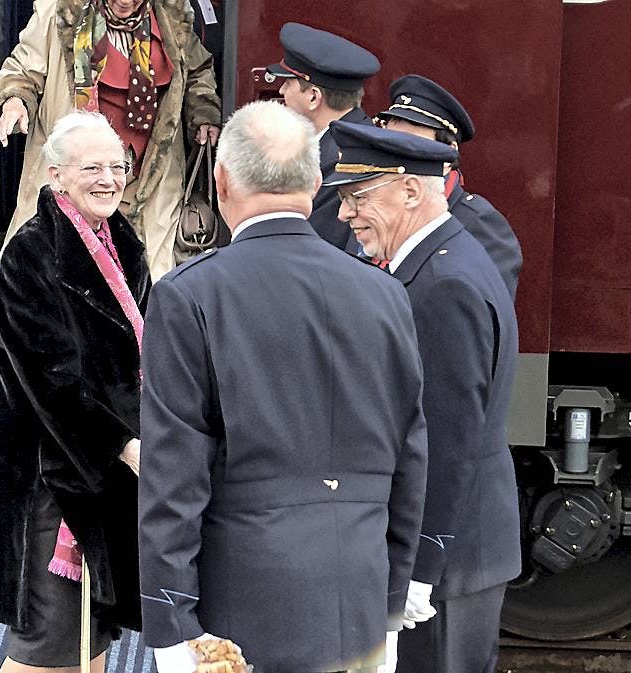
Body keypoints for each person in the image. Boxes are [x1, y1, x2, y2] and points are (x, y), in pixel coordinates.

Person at [138, 101, 429, 673]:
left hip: (243, 600)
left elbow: (174, 474)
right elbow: (410, 458)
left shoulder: (190, 296)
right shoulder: (386, 294)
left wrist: (172, 625)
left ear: (221, 182)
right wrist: (392, 600)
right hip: (361, 589)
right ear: (317, 181)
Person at [327, 121, 520, 673]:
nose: (344, 214)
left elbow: (447, 439)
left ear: (410, 190)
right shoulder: (446, 261)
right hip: (460, 551)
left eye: (357, 197)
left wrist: (419, 570)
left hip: (448, 561)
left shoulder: (442, 287)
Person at [0, 111, 149, 673]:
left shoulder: (122, 241)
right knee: (47, 648)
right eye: (91, 167)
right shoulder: (29, 256)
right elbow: (51, 381)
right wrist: (123, 444)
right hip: (50, 484)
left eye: (116, 166)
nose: (108, 178)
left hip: (101, 479)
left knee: (91, 640)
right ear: (56, 177)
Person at [0, 0, 222, 281]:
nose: (125, 2)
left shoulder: (172, 16)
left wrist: (203, 112)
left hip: (148, 182)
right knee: (53, 276)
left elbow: (198, 70)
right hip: (76, 176)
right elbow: (23, 68)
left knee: (148, 281)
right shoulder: (59, 11)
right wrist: (14, 100)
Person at [376, 74, 522, 299]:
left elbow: (484, 313)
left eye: (411, 143)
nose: (395, 154)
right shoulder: (367, 208)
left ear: (448, 153)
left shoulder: (478, 222)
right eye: (389, 142)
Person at [266, 22, 379, 252]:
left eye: (288, 83)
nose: (281, 92)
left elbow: (308, 244)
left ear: (313, 97)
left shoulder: (341, 163)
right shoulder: (353, 140)